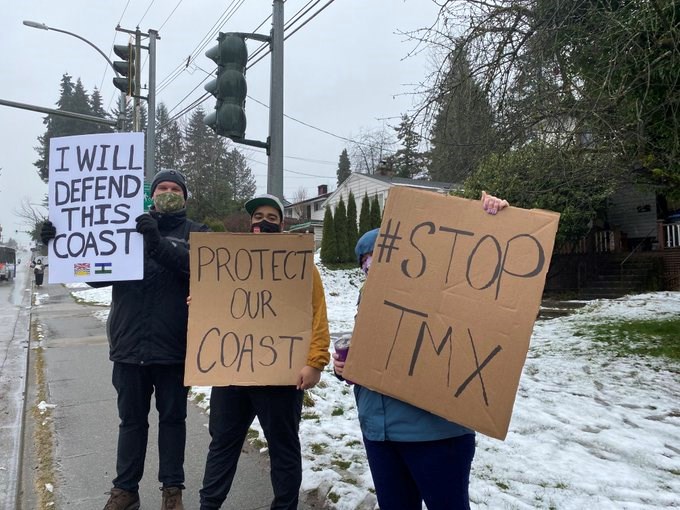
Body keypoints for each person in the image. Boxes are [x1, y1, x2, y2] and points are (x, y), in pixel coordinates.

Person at [40, 169, 209, 510]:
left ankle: (171, 491)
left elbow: (199, 269)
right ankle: (125, 490)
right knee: (131, 422)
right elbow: (92, 276)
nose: (168, 192)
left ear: (185, 198)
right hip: (129, 346)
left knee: (173, 422)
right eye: (162, 187)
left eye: (175, 188)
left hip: (176, 348)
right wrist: (59, 242)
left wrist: (156, 243)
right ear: (151, 194)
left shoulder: (197, 233)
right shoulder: (124, 230)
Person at [333, 191, 509, 510]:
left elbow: (489, 281)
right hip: (380, 434)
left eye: (382, 258)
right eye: (366, 264)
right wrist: (345, 368)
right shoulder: (367, 301)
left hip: (436, 436)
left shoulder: (449, 293)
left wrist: (492, 218)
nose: (373, 269)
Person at [199, 194, 331, 510]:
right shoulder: (231, 262)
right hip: (232, 372)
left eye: (272, 217)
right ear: (250, 222)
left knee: (283, 447)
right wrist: (200, 306)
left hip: (281, 375)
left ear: (282, 224)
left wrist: (315, 362)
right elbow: (216, 305)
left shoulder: (300, 265)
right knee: (222, 445)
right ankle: (208, 506)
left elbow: (317, 313)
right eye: (258, 216)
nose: (264, 221)